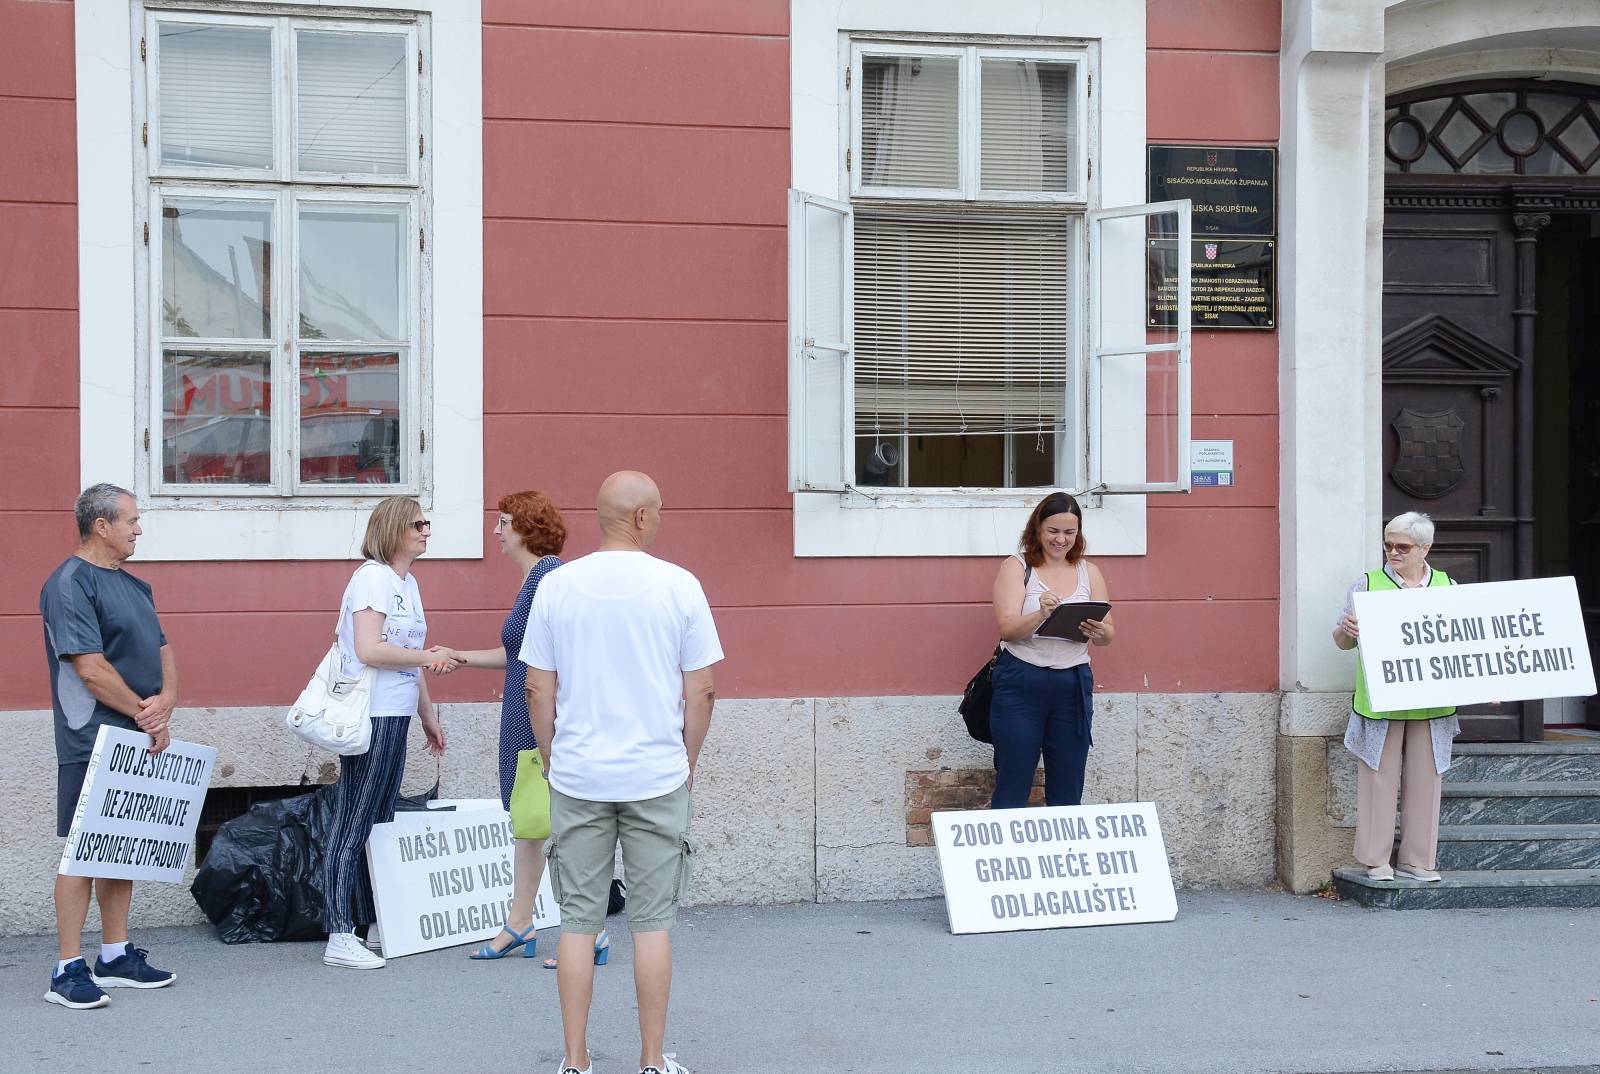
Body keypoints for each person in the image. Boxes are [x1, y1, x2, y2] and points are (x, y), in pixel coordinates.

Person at [521, 471, 722, 1074]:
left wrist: (553, 754)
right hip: (655, 774)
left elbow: (536, 685)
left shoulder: (558, 588)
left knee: (578, 924)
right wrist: (686, 758)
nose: (660, 519)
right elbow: (703, 689)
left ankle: (576, 1062)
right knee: (652, 923)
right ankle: (653, 1061)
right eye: (657, 510)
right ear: (639, 517)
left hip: (579, 775)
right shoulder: (679, 585)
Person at [39, 484, 180, 1009]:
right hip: (89, 737)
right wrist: (144, 712)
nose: (138, 529)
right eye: (132, 520)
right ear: (101, 525)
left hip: (135, 733)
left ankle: (116, 956)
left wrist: (164, 703)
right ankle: (67, 968)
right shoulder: (69, 584)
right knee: (81, 853)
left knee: (119, 844)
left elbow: (163, 648)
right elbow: (90, 668)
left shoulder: (136, 586)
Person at [430, 490, 570, 961]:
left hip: (538, 717)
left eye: (505, 521)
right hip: (524, 711)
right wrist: (460, 656)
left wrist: (546, 722)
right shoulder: (535, 579)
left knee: (558, 824)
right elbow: (518, 657)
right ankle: (521, 923)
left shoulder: (547, 577)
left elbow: (555, 659)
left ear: (527, 527)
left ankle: (586, 931)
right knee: (530, 825)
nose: (497, 530)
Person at [320, 495, 453, 970]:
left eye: (426, 522)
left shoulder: (407, 582)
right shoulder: (373, 578)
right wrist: (427, 658)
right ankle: (339, 932)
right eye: (418, 523)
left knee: (376, 819)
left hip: (394, 714)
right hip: (371, 715)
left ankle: (364, 922)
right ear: (396, 528)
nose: (426, 530)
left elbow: (408, 653)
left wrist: (428, 716)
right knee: (353, 821)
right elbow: (371, 649)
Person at [1333, 511, 1457, 883]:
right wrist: (1345, 629)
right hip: (1382, 703)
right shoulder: (1368, 584)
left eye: (1401, 546)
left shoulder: (1447, 586)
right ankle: (1376, 860)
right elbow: (1341, 642)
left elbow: (1464, 645)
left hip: (1432, 704)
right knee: (1378, 778)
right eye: (1387, 545)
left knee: (1426, 779)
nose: (1392, 552)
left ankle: (1417, 861)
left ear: (1425, 548)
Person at [989, 491, 1114, 810]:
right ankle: (1006, 858)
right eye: (1053, 531)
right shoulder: (1017, 567)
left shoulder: (1090, 571)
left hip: (1072, 682)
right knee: (1014, 781)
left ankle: (1064, 856)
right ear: (1037, 529)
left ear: (1079, 533)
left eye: (1069, 532)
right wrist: (1041, 615)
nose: (1061, 539)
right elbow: (1007, 628)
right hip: (1020, 679)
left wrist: (1099, 632)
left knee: (1068, 785)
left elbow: (1107, 635)